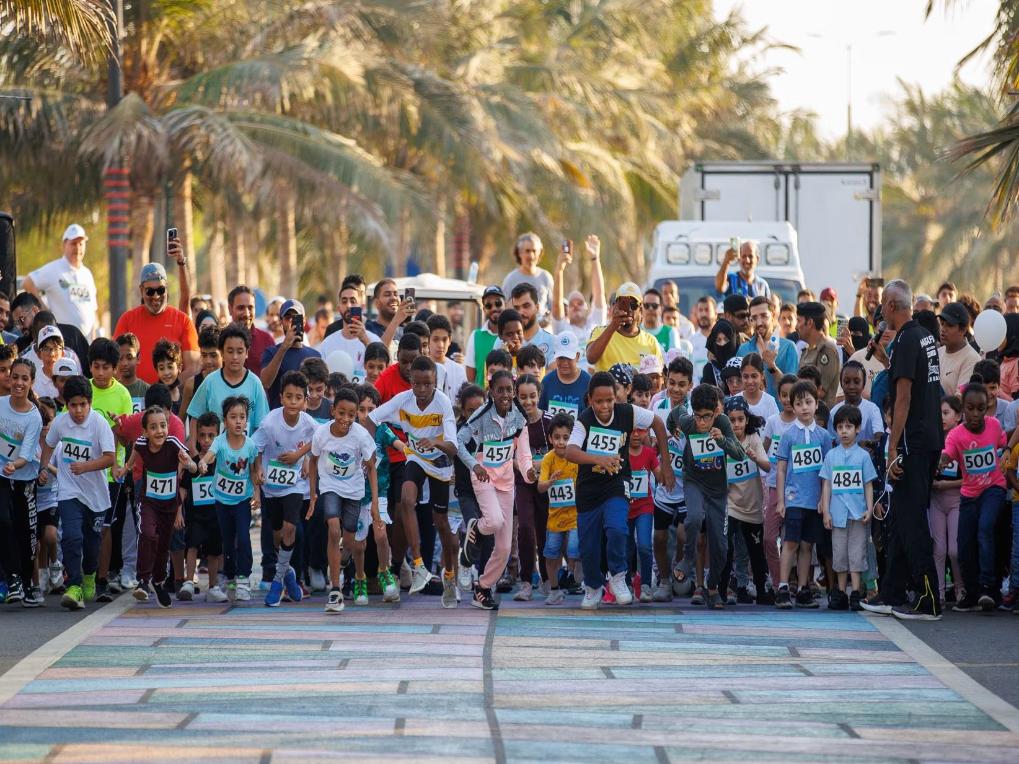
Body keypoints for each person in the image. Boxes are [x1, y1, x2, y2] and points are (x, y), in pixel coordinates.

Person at [862, 279, 944, 622]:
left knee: (911, 520)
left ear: (893, 305)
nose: (880, 309)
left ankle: (929, 598)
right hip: (930, 438)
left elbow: (904, 398)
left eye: (883, 303)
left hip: (913, 442)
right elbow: (911, 379)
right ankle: (891, 590)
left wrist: (892, 446)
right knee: (897, 517)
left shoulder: (908, 339)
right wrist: (885, 360)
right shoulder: (922, 336)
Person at [566, 372, 675, 610]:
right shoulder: (584, 420)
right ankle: (593, 586)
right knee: (589, 546)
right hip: (588, 489)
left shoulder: (628, 412)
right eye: (599, 401)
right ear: (589, 400)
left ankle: (618, 575)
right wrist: (599, 459)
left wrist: (665, 464)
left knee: (617, 528)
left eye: (609, 400)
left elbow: (658, 423)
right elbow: (570, 451)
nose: (605, 406)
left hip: (616, 483)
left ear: (616, 398)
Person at [369, 355, 459, 602]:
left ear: (435, 382)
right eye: (417, 384)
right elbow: (371, 418)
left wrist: (436, 442)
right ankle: (418, 565)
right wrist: (371, 449)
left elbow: (453, 447)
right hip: (416, 458)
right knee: (406, 500)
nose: (421, 389)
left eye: (427, 384)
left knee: (441, 522)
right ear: (410, 382)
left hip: (439, 463)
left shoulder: (442, 403)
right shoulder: (403, 400)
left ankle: (450, 576)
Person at [458, 370, 537, 610]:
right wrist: (474, 465)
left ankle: (482, 588)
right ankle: (475, 528)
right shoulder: (482, 414)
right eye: (499, 390)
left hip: (506, 482)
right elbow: (459, 442)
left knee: (503, 548)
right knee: (493, 521)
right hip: (483, 476)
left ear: (514, 392)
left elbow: (523, 453)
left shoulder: (519, 417)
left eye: (508, 390)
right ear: (491, 392)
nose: (504, 395)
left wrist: (528, 471)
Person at [38, 375, 116, 610]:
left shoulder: (99, 424)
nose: (78, 410)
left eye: (83, 404)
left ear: (90, 403)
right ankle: (74, 585)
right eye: (73, 405)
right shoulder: (61, 423)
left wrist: (86, 467)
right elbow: (49, 444)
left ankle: (90, 574)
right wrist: (44, 467)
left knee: (92, 544)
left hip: (95, 495)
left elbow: (110, 458)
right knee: (72, 536)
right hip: (69, 490)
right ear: (67, 404)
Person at [668, 383, 741, 609]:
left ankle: (713, 586)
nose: (701, 423)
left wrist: (722, 440)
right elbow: (675, 413)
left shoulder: (723, 422)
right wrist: (673, 428)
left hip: (718, 491)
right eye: (698, 417)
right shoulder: (688, 421)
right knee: (693, 518)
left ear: (716, 412)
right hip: (694, 482)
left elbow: (739, 454)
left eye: (706, 417)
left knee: (721, 546)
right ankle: (688, 558)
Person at [307, 387, 379, 613]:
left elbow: (371, 467)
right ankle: (335, 590)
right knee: (333, 529)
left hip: (354, 491)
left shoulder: (361, 436)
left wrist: (375, 504)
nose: (345, 419)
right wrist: (313, 494)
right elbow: (313, 461)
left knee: (348, 542)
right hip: (330, 487)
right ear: (333, 411)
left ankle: (344, 558)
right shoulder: (321, 434)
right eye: (341, 413)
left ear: (356, 414)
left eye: (351, 414)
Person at [116, 406, 195, 608]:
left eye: (162, 426)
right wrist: (125, 469)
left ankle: (158, 582)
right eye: (153, 427)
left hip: (169, 506)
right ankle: (143, 580)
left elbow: (192, 466)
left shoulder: (173, 443)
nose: (159, 431)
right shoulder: (142, 443)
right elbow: (134, 454)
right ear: (145, 432)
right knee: (147, 534)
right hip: (148, 502)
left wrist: (190, 464)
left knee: (162, 546)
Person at [940, 382, 1007, 612]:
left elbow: (1003, 443)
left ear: (987, 407)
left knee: (985, 528)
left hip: (994, 488)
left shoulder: (994, 425)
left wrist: (1007, 452)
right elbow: (948, 453)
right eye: (970, 408)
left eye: (981, 408)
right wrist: (942, 461)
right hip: (969, 494)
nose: (976, 414)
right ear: (963, 410)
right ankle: (971, 592)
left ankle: (989, 587)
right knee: (963, 544)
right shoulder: (956, 434)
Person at [253, 371, 317, 607]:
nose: (293, 402)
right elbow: (256, 448)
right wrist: (258, 470)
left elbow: (319, 441)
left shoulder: (309, 424)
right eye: (288, 397)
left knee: (291, 528)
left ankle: (277, 583)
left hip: (295, 485)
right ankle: (287, 571)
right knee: (278, 536)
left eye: (298, 398)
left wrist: (302, 456)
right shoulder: (269, 423)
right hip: (271, 487)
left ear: (305, 401)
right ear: (281, 398)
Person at [197, 396, 262, 602]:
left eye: (242, 417)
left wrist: (257, 493)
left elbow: (254, 470)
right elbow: (210, 455)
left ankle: (244, 578)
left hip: (242, 500)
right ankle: (230, 575)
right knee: (227, 540)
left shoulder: (250, 445)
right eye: (233, 417)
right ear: (225, 421)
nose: (238, 421)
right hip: (222, 500)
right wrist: (203, 463)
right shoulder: (220, 441)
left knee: (243, 537)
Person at [774, 380, 831, 609]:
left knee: (808, 545)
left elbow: (826, 472)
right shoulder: (788, 436)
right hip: (794, 499)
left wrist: (823, 500)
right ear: (793, 406)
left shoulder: (824, 436)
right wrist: (780, 500)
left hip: (814, 502)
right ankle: (783, 587)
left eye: (808, 402)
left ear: (817, 404)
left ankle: (803, 588)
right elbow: (781, 469)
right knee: (790, 543)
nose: (804, 407)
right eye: (799, 403)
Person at [819, 404, 877, 611]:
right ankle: (841, 591)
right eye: (840, 427)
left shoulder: (863, 456)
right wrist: (826, 510)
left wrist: (869, 508)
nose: (844, 431)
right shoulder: (831, 456)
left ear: (858, 429)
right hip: (837, 514)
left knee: (857, 552)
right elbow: (826, 484)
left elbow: (868, 484)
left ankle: (856, 591)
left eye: (849, 426)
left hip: (858, 514)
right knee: (840, 553)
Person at [719, 396, 774, 606]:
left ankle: (760, 590)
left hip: (752, 506)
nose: (736, 424)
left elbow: (767, 466)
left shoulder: (753, 438)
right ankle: (722, 591)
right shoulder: (723, 442)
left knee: (755, 551)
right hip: (731, 505)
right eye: (731, 420)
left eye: (740, 419)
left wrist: (755, 458)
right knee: (727, 548)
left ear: (747, 420)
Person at [0, 359, 44, 606]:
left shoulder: (34, 417)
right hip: (1, 476)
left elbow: (26, 455)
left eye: (24, 378)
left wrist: (13, 465)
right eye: (15, 376)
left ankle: (28, 583)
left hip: (23, 477)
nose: (18, 383)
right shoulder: (0, 405)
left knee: (26, 532)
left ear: (31, 382)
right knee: (3, 520)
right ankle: (13, 578)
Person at [113, 263, 199, 384]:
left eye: (160, 290)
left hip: (171, 394)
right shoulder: (127, 319)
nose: (156, 296)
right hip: (134, 394)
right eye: (150, 291)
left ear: (166, 288)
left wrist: (167, 389)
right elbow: (114, 364)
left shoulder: (183, 320)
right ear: (141, 290)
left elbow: (193, 368)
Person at [354, 385, 400, 604]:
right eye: (361, 409)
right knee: (359, 544)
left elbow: (397, 442)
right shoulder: (350, 432)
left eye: (371, 409)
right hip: (355, 496)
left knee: (381, 534)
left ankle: (385, 572)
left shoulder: (382, 430)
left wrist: (410, 449)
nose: (366, 415)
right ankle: (359, 579)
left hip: (378, 492)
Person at [512, 374, 551, 601]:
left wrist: (540, 464)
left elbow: (561, 449)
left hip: (546, 484)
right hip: (523, 482)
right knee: (525, 528)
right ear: (516, 397)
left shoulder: (549, 421)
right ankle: (526, 581)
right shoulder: (512, 423)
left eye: (532, 396)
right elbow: (508, 454)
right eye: (523, 397)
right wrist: (523, 466)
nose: (528, 402)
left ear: (539, 395)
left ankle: (548, 579)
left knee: (545, 530)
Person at [22, 224, 99, 339]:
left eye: (81, 244)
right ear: (64, 245)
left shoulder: (87, 274)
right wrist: (43, 310)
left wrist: (95, 338)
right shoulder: (54, 269)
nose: (78, 248)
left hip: (87, 343)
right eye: (73, 243)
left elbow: (93, 310)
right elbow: (28, 282)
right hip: (62, 342)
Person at [536, 412, 580, 606]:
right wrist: (550, 481)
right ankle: (554, 589)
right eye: (557, 437)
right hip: (554, 517)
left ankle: (571, 573)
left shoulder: (576, 457)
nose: (561, 442)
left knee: (573, 548)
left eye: (566, 438)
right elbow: (540, 486)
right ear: (550, 438)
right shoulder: (548, 459)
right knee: (551, 553)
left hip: (575, 515)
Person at [930, 396, 964, 606]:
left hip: (956, 500)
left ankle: (960, 589)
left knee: (954, 550)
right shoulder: (934, 439)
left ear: (958, 416)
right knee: (939, 550)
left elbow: (969, 477)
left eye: (946, 413)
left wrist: (946, 485)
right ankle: (939, 593)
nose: (941, 418)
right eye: (939, 413)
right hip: (936, 500)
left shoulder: (961, 440)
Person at [586, 282, 664, 372]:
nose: (629, 309)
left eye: (633, 305)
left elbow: (659, 376)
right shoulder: (600, 332)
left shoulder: (651, 342)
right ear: (615, 306)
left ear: (640, 310)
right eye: (623, 304)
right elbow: (591, 358)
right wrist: (613, 325)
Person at [260, 299, 321, 409]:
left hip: (306, 417)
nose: (292, 322)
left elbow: (319, 391)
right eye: (288, 318)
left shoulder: (315, 355)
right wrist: (284, 346)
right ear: (281, 322)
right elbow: (265, 383)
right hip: (279, 417)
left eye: (296, 318)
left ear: (304, 321)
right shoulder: (271, 352)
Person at [625, 420, 660, 602]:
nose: (636, 434)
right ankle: (627, 584)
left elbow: (660, 474)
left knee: (645, 546)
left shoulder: (649, 453)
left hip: (644, 507)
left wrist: (666, 468)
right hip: (624, 507)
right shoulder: (621, 453)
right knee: (626, 548)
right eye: (632, 430)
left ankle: (646, 585)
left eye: (641, 430)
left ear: (647, 432)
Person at [737, 295, 799, 397]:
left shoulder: (788, 347)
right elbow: (738, 387)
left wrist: (772, 366)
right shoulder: (743, 349)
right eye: (754, 318)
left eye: (764, 316)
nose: (759, 322)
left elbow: (792, 390)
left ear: (773, 315)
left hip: (779, 407)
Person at [11, 293, 90, 372]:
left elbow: (88, 371)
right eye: (16, 323)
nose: (20, 327)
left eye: (22, 319)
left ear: (35, 311)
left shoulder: (72, 334)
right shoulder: (20, 346)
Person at [550, 235, 607, 339]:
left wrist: (595, 259)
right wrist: (559, 270)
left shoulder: (596, 323)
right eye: (571, 304)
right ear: (567, 311)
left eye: (580, 303)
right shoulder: (562, 328)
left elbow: (599, 295)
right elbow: (556, 305)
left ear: (587, 307)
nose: (576, 306)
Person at [797, 302, 840, 409]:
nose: (796, 327)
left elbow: (820, 392)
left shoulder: (827, 350)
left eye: (799, 321)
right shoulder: (806, 350)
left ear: (810, 323)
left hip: (821, 414)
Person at [539, 332, 590, 420]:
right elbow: (540, 414)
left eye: (569, 358)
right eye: (561, 358)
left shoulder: (588, 382)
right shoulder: (547, 382)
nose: (565, 363)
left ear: (577, 356)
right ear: (555, 356)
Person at [502, 232, 555, 316]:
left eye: (534, 251)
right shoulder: (510, 279)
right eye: (527, 251)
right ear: (519, 253)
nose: (531, 256)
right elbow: (503, 308)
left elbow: (553, 308)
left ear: (539, 253)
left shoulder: (546, 277)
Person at [937, 301, 980, 396]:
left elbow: (959, 399)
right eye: (942, 324)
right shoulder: (937, 353)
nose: (943, 329)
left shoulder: (972, 359)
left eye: (949, 325)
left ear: (963, 330)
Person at [506, 283, 555, 364]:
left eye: (526, 306)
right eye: (516, 308)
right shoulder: (503, 342)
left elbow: (552, 371)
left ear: (537, 308)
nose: (521, 312)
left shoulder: (551, 342)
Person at [466, 286, 503, 385]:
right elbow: (471, 380)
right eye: (488, 305)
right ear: (484, 309)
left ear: (506, 304)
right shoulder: (475, 336)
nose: (494, 308)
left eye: (498, 303)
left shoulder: (514, 336)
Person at [425, 315, 467, 402]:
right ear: (428, 340)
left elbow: (462, 402)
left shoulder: (459, 371)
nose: (441, 345)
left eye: (444, 340)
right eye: (435, 339)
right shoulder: (420, 367)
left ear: (450, 340)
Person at [115, 333, 150, 413]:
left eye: (129, 357)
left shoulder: (148, 391)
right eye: (120, 358)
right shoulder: (111, 390)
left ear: (138, 358)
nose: (124, 363)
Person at [640, 288, 680, 352]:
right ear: (641, 308)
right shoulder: (635, 331)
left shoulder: (670, 332)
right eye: (646, 305)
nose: (650, 309)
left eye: (654, 306)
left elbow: (675, 357)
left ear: (661, 309)